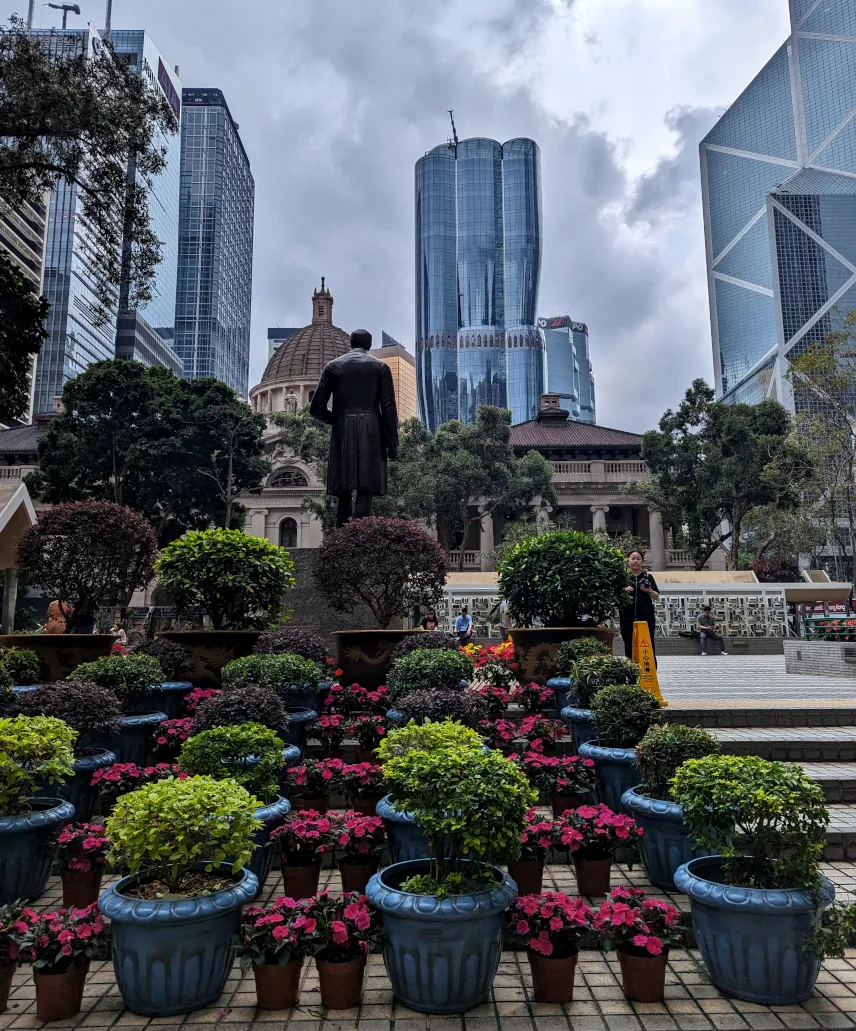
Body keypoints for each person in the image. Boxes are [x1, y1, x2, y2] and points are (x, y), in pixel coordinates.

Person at [309, 326, 399, 527]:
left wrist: (337, 419)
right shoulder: (380, 368)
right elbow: (388, 408)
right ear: (369, 345)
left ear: (351, 343)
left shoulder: (332, 367)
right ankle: (360, 533)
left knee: (343, 487)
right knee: (365, 487)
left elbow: (316, 409)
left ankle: (342, 533)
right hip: (371, 430)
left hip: (342, 429)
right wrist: (393, 443)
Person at [619, 550, 660, 667]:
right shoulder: (623, 577)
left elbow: (656, 597)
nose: (635, 561)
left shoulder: (648, 577)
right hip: (627, 618)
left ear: (642, 561)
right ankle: (631, 670)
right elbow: (614, 595)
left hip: (646, 619)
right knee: (628, 644)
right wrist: (623, 590)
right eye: (633, 558)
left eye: (638, 558)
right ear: (628, 561)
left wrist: (649, 591)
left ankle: (650, 673)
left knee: (648, 645)